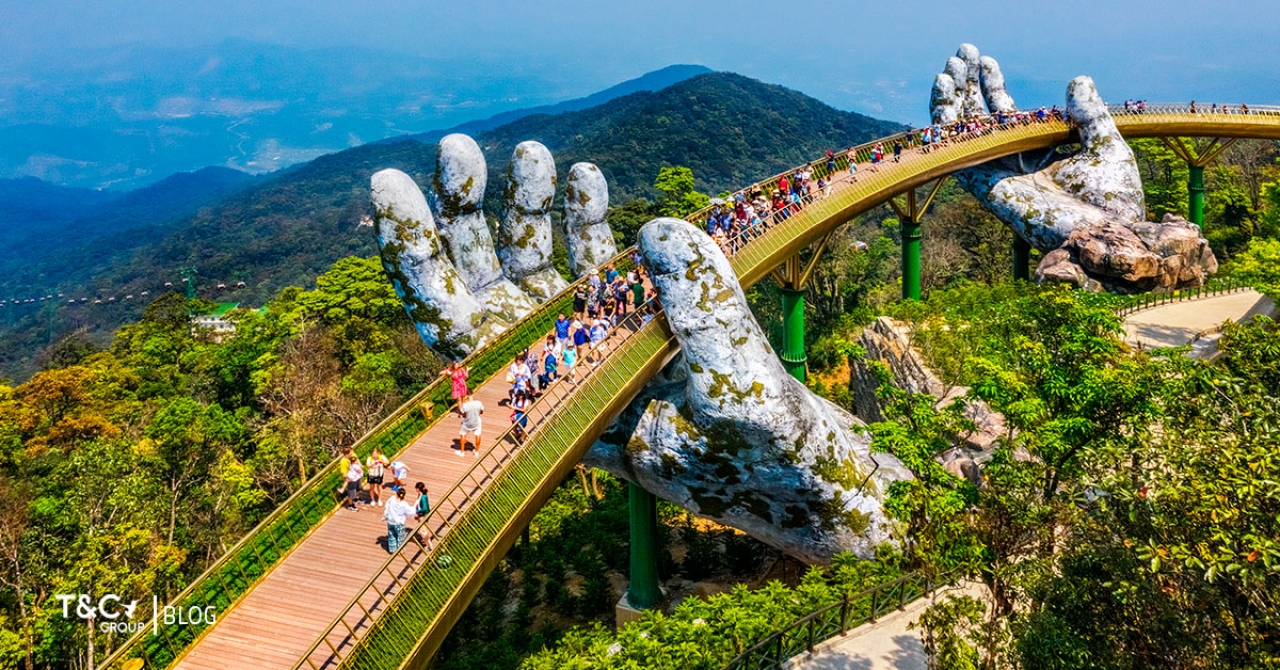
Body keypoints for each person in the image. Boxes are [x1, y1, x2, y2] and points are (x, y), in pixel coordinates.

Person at [382, 487, 415, 553]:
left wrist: (385, 514)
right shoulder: (404, 504)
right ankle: (400, 550)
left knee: (391, 535)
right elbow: (410, 512)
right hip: (399, 523)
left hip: (391, 521)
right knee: (400, 537)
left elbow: (387, 505)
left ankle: (392, 549)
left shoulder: (392, 499)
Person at [413, 482, 434, 550]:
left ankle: (429, 545)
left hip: (423, 516)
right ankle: (427, 542)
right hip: (420, 515)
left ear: (418, 489)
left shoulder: (423, 497)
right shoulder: (420, 495)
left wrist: (417, 512)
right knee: (422, 529)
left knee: (423, 531)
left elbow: (424, 508)